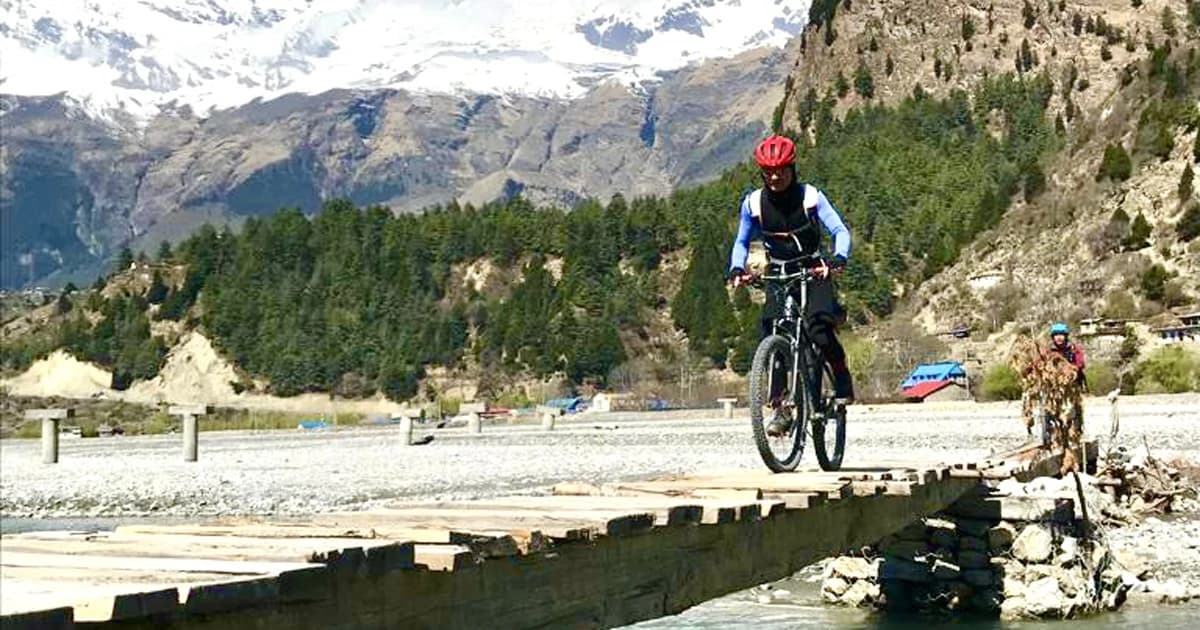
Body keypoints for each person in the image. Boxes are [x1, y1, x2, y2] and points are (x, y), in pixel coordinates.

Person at [727, 135, 853, 436]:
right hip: (780, 272)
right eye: (768, 171)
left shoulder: (811, 197)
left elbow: (839, 230)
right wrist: (736, 268)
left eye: (781, 170)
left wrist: (837, 258)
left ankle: (841, 375)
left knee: (819, 329)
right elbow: (741, 241)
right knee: (772, 332)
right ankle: (782, 408)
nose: (774, 176)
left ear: (791, 168)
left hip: (813, 268)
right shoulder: (753, 204)